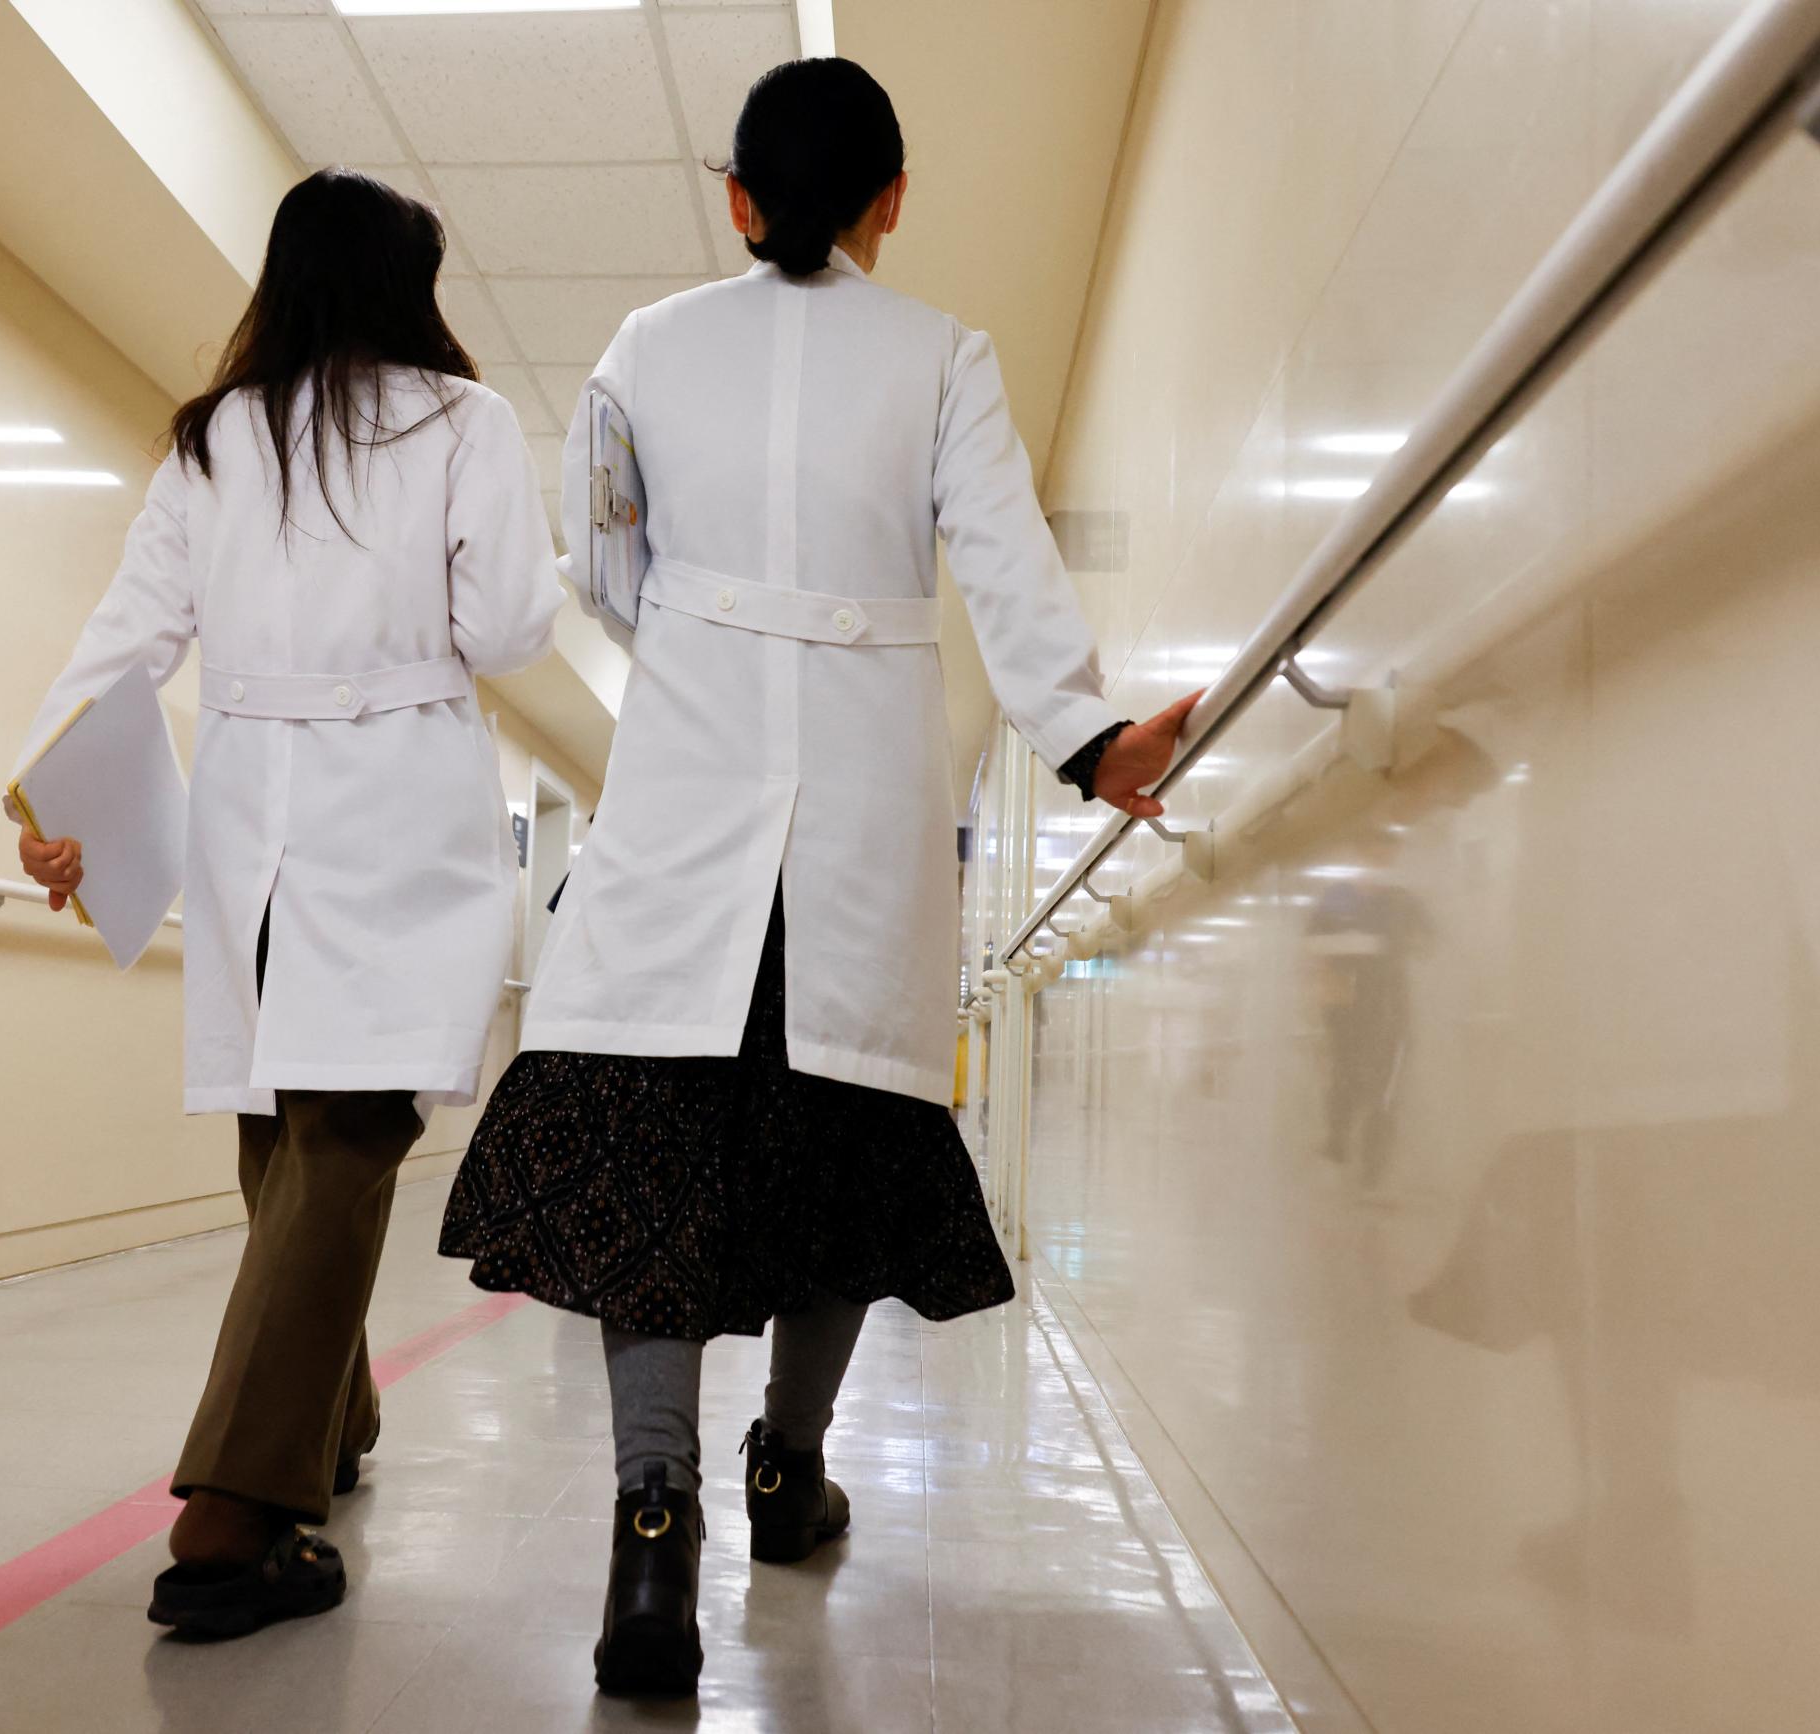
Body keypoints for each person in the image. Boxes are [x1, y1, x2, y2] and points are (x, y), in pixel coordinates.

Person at [436, 58, 1201, 1697]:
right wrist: (1089, 738)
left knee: (650, 1134)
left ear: (735, 197)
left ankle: (656, 1518)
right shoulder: (942, 357)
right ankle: (789, 1468)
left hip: (687, 800)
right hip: (858, 812)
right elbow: (1000, 554)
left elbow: (605, 561)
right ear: (892, 201)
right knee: (842, 1130)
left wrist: (714, 640)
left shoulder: (646, 346)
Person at [11, 169, 560, 1642]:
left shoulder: (213, 437)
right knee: (348, 1125)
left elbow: (127, 635)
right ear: (406, 284)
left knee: (290, 1126)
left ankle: (332, 1420)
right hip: (397, 801)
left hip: (251, 806)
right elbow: (509, 626)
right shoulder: (469, 424)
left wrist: (48, 799)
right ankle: (233, 1513)